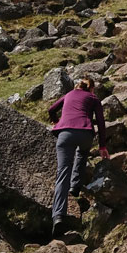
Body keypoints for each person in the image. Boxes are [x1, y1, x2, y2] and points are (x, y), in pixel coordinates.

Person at [47, 77, 109, 236]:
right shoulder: (93, 98)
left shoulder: (68, 94)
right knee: (82, 152)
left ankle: (58, 216)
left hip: (65, 134)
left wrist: (57, 122)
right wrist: (102, 146)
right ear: (91, 88)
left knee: (62, 173)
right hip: (85, 133)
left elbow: (51, 109)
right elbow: (101, 122)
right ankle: (75, 186)